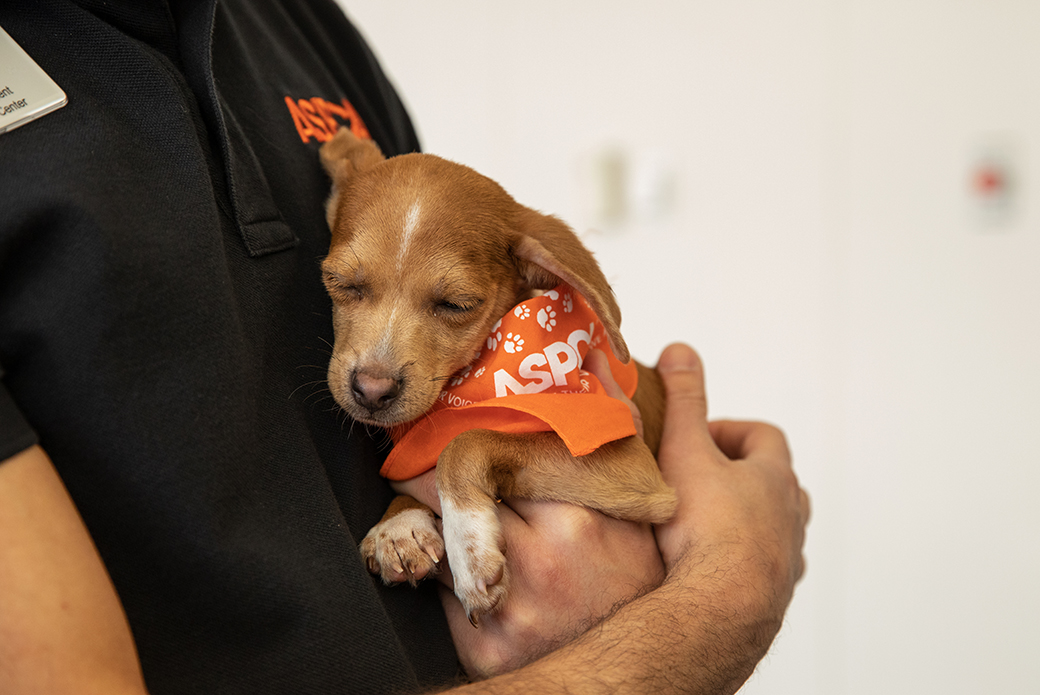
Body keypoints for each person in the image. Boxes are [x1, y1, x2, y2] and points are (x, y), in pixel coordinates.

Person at [0, 1, 809, 693]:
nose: (374, 371)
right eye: (346, 287)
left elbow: (392, 448)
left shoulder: (296, 23)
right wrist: (724, 595)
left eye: (451, 304)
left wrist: (436, 495)